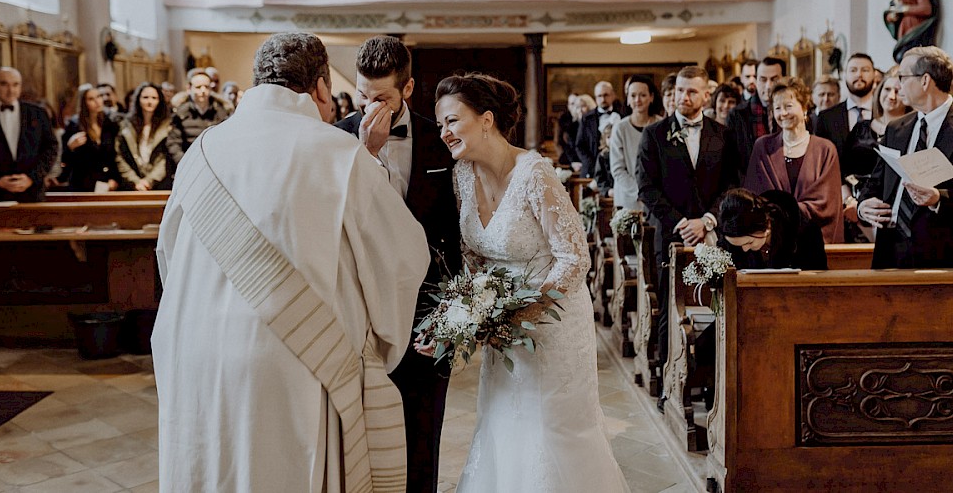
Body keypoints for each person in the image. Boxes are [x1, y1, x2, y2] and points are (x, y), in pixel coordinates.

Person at [152, 32, 430, 492]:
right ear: (322, 88)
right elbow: (403, 259)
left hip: (195, 350)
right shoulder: (341, 154)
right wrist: (374, 346)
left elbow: (168, 254)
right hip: (295, 360)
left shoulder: (199, 152)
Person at [434, 73, 630, 493]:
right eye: (440, 126)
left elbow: (575, 257)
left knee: (551, 430)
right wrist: (474, 310)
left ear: (486, 119)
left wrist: (526, 310)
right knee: (503, 422)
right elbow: (474, 253)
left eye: (451, 121)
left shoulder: (535, 174)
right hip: (503, 327)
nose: (444, 133)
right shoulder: (462, 176)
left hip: (554, 324)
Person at [335, 35, 461, 493]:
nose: (369, 106)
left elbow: (455, 228)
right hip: (360, 307)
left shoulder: (439, 140)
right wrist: (363, 151)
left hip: (426, 304)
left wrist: (453, 310)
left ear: (407, 90)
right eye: (362, 96)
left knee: (424, 424)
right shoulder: (335, 140)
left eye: (382, 97)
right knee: (362, 428)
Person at [636, 65, 739, 403]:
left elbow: (731, 184)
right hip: (671, 235)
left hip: (713, 234)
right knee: (672, 309)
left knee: (717, 308)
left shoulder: (723, 134)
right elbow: (647, 187)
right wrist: (680, 222)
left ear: (706, 95)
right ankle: (671, 380)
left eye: (692, 91)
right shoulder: (654, 134)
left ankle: (711, 383)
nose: (684, 97)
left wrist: (708, 220)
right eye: (680, 90)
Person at [857, 46, 953, 269]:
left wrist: (939, 198)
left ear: (924, 81)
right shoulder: (896, 128)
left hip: (945, 256)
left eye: (902, 77)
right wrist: (863, 206)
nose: (898, 84)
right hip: (891, 252)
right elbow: (875, 184)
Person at [744, 78, 844, 244]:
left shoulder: (825, 149)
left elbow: (828, 203)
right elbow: (754, 196)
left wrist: (786, 212)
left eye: (788, 106)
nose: (783, 113)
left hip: (813, 241)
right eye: (777, 108)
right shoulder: (762, 147)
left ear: (804, 107)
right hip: (772, 241)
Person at [842, 67, 912, 236]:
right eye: (887, 89)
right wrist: (851, 202)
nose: (891, 96)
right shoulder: (861, 127)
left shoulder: (912, 131)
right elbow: (842, 168)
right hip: (855, 206)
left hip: (892, 209)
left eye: (897, 90)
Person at [0, 67, 57, 202]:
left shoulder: (38, 113)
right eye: (4, 84)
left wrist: (31, 178)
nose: (11, 90)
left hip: (32, 194)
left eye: (15, 84)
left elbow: (50, 148)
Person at [717, 188, 827, 270]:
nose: (745, 249)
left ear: (767, 226)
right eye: (739, 246)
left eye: (749, 242)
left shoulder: (806, 233)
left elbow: (818, 280)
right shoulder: (730, 236)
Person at [814, 53, 876, 177]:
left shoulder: (885, 113)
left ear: (874, 74)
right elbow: (821, 161)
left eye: (865, 70)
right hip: (838, 189)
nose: (859, 74)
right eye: (853, 70)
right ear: (844, 75)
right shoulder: (826, 118)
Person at [726, 56, 786, 177]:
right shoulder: (738, 115)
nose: (768, 86)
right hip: (752, 184)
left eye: (774, 79)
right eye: (763, 79)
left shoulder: (792, 112)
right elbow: (732, 162)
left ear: (783, 80)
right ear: (756, 80)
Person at [609, 75, 660, 210]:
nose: (637, 100)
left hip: (659, 199)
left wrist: (654, 193)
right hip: (628, 199)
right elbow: (618, 169)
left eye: (643, 95)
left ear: (651, 97)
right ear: (628, 99)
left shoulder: (661, 125)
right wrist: (641, 191)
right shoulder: (620, 128)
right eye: (633, 95)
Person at [59, 83, 120, 192]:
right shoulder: (75, 125)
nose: (97, 101)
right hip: (83, 183)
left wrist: (114, 178)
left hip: (106, 182)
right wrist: (70, 147)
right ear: (84, 103)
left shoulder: (109, 123)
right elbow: (64, 159)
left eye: (99, 97)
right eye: (91, 99)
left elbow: (115, 155)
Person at [167, 68, 231, 171]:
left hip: (216, 168)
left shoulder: (222, 112)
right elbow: (173, 143)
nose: (203, 91)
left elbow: (226, 143)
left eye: (206, 87)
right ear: (189, 88)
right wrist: (186, 165)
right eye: (198, 87)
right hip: (188, 167)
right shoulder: (180, 113)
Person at [116, 82, 172, 191]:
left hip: (158, 184)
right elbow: (119, 156)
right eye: (145, 97)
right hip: (132, 184)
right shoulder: (126, 125)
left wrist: (149, 180)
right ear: (138, 99)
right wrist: (136, 181)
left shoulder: (167, 125)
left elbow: (166, 158)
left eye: (154, 98)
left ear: (159, 101)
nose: (149, 102)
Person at [575, 80, 620, 179]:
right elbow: (579, 145)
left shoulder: (622, 115)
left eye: (606, 95)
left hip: (616, 169)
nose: (603, 99)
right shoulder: (586, 118)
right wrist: (591, 164)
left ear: (612, 95)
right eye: (599, 96)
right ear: (595, 98)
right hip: (591, 170)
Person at [553, 92, 580, 167]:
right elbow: (557, 142)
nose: (574, 106)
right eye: (572, 104)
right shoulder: (563, 119)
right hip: (566, 158)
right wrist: (562, 155)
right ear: (568, 106)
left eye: (576, 103)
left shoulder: (584, 118)